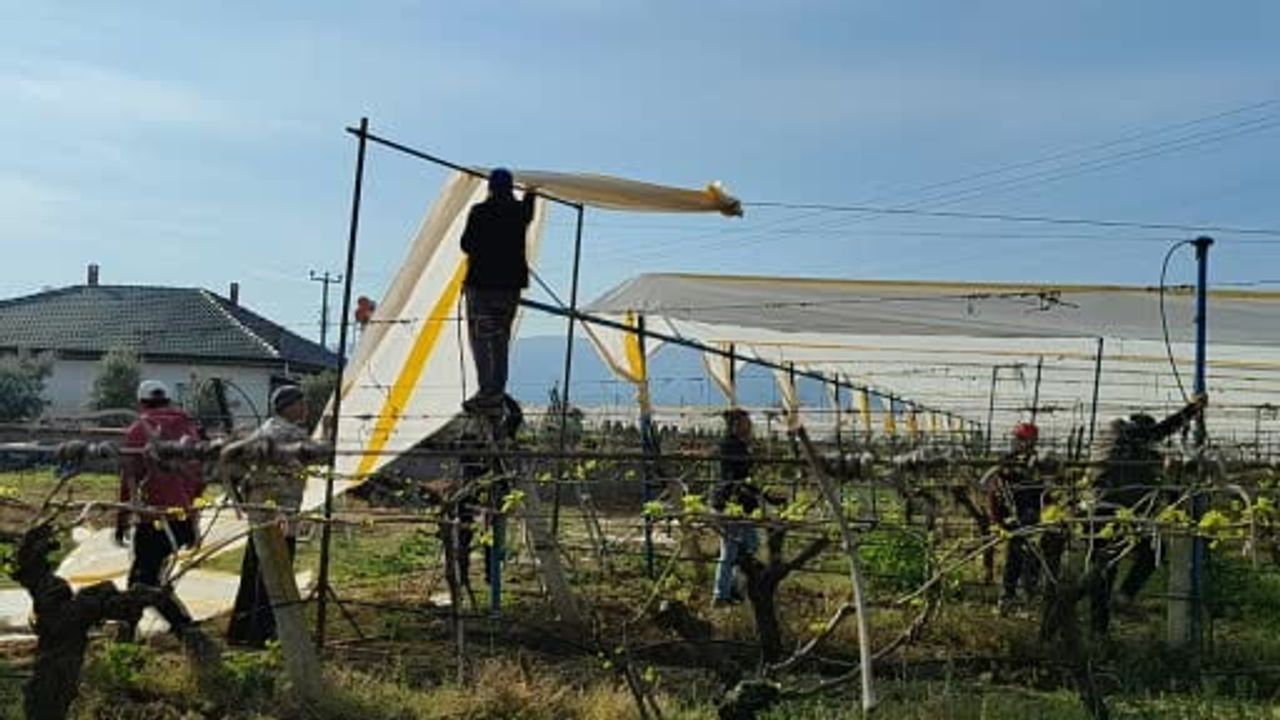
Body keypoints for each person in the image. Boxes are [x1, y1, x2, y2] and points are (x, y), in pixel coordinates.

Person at [1087, 394, 1206, 635]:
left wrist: (1166, 464)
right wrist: (1192, 409)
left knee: (1107, 567)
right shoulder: (1125, 433)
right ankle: (1114, 608)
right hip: (1114, 510)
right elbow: (1160, 432)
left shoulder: (1115, 441)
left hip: (1103, 509)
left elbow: (1153, 468)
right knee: (1144, 554)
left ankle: (1099, 626)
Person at [117, 380, 205, 640]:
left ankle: (186, 630)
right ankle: (130, 633)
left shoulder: (137, 431)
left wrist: (122, 520)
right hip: (182, 519)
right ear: (168, 401)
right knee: (147, 576)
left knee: (142, 582)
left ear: (142, 403)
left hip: (153, 519)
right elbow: (200, 476)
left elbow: (129, 479)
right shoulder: (190, 429)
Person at [226, 384, 310, 647]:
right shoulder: (289, 434)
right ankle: (262, 635)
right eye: (301, 402)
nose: (305, 407)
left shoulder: (264, 431)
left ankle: (240, 631)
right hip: (281, 514)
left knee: (253, 569)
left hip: (261, 512)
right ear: (289, 406)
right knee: (274, 574)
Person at [460, 168, 538, 413]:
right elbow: (528, 209)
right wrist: (531, 193)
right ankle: (496, 391)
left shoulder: (480, 212)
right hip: (509, 287)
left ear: (490, 188)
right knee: (500, 339)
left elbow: (466, 244)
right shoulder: (519, 212)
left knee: (482, 339)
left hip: (481, 285)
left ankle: (487, 392)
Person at [982, 422, 1044, 614]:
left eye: (1027, 441)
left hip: (1032, 515)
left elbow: (1041, 489)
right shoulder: (1007, 463)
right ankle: (1011, 596)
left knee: (1030, 557)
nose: (1020, 444)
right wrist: (1000, 519)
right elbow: (990, 485)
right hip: (1013, 517)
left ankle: (1022, 595)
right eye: (1020, 440)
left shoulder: (1035, 463)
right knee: (1018, 555)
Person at [711, 408, 764, 607]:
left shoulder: (736, 445)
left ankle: (730, 588)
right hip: (731, 504)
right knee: (732, 549)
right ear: (735, 425)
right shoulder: (731, 447)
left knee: (749, 545)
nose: (749, 426)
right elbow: (734, 477)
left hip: (739, 504)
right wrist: (755, 492)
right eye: (745, 423)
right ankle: (722, 594)